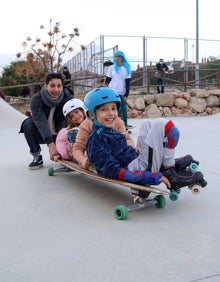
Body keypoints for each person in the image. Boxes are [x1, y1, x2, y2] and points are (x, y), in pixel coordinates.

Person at [83, 87, 207, 202]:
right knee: (161, 125)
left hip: (136, 159)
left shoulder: (108, 130)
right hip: (136, 169)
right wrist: (149, 177)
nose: (111, 113)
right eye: (104, 109)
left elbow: (122, 151)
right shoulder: (96, 140)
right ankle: (169, 168)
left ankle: (166, 163)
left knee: (146, 123)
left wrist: (135, 151)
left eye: (113, 108)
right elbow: (112, 171)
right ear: (91, 114)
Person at [19, 72, 74, 169]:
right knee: (27, 124)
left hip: (60, 133)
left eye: (59, 86)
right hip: (42, 134)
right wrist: (51, 145)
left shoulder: (68, 98)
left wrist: (61, 146)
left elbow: (67, 122)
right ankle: (37, 156)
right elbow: (40, 121)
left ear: (62, 87)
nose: (56, 89)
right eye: (52, 86)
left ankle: (68, 154)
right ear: (45, 86)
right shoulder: (36, 99)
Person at [105, 50, 132, 130]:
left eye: (118, 56)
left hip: (121, 91)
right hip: (112, 91)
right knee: (113, 108)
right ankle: (113, 125)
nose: (117, 58)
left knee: (123, 108)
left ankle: (125, 124)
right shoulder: (112, 68)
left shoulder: (126, 68)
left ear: (122, 58)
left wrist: (126, 94)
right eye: (116, 56)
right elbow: (108, 80)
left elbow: (128, 82)